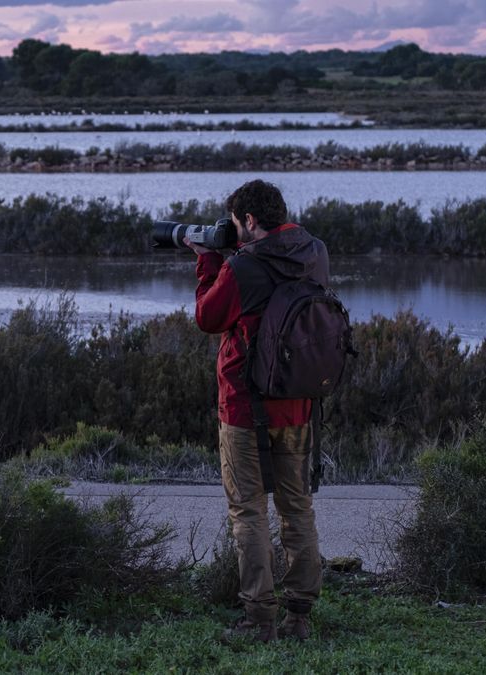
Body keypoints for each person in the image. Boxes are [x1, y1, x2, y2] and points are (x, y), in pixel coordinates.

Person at [184, 179, 329, 643]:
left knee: (248, 511)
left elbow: (208, 318)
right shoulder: (315, 252)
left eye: (235, 224)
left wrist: (208, 260)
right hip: (300, 402)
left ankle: (258, 619)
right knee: (297, 506)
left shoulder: (243, 267)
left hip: (245, 407)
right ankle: (300, 616)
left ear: (249, 221)